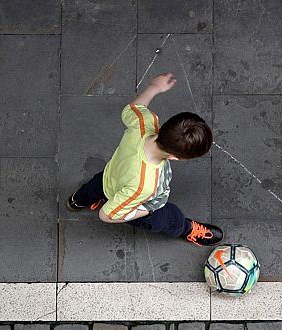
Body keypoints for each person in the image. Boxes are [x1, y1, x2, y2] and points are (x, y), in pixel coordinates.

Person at [66, 72, 223, 246]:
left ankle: (76, 201)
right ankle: (186, 229)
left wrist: (154, 87)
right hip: (141, 203)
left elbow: (132, 108)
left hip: (109, 177)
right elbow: (107, 215)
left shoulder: (144, 123)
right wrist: (145, 212)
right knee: (168, 216)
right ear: (174, 157)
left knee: (92, 188)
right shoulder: (145, 185)